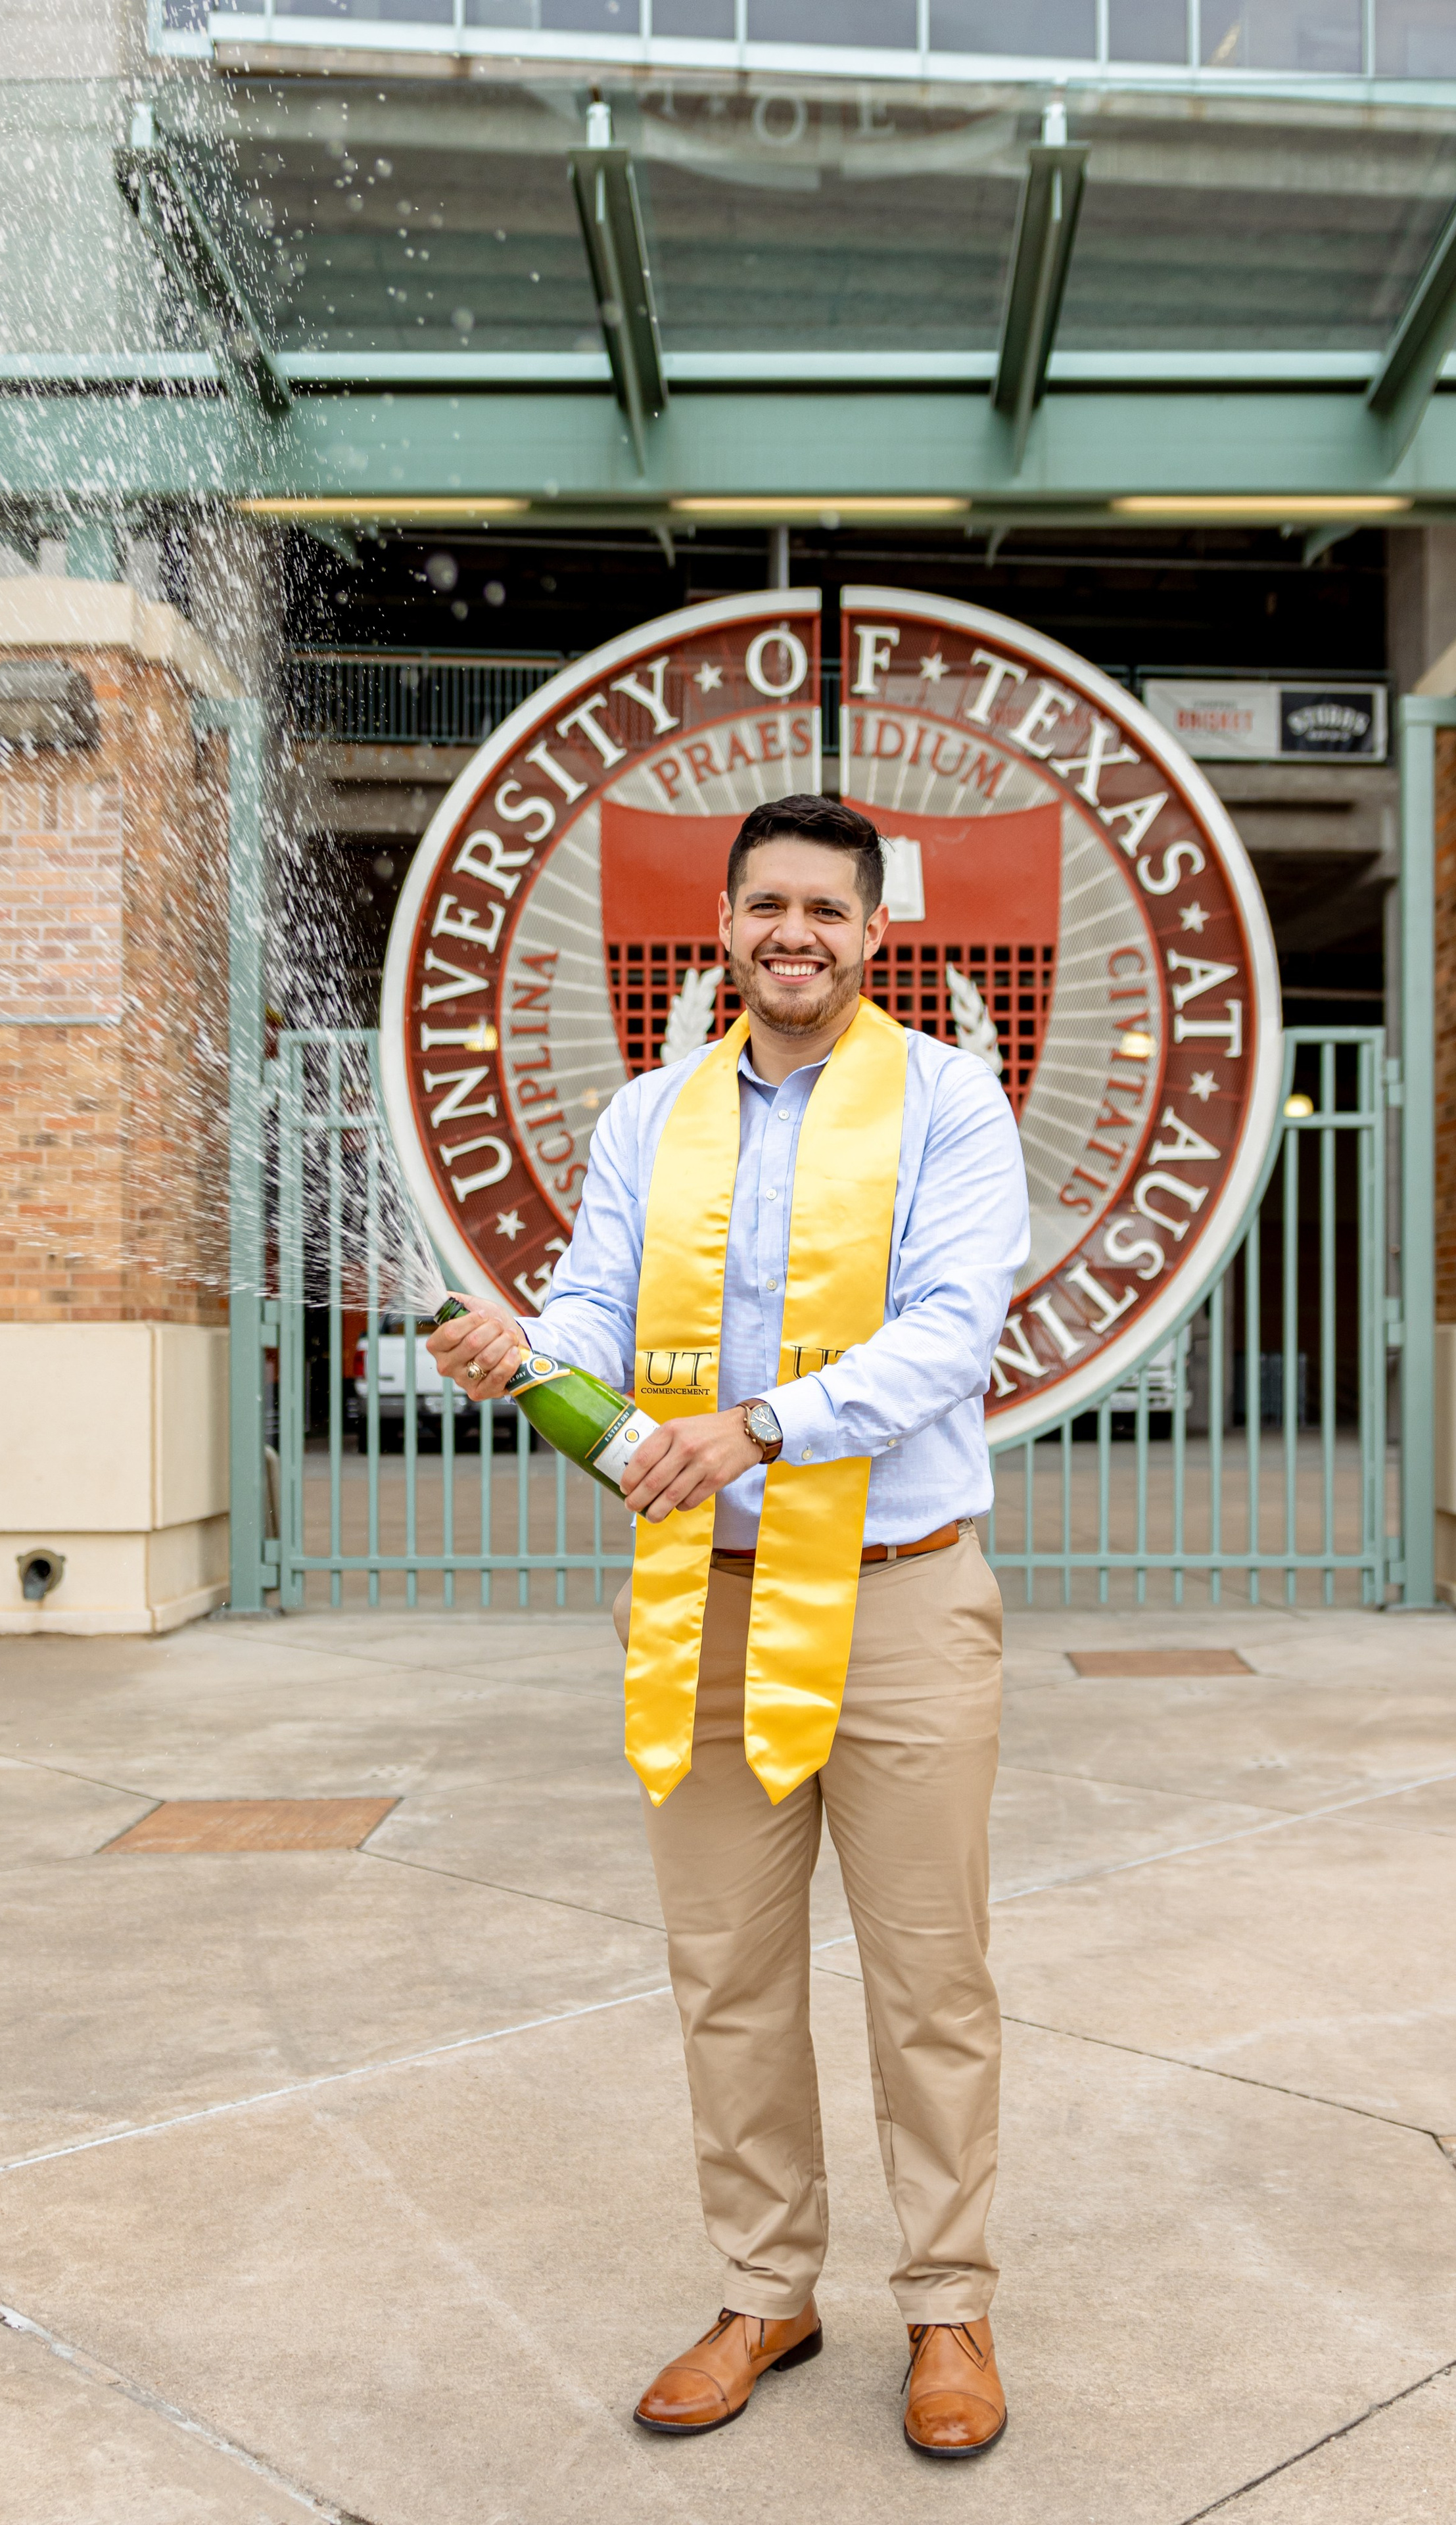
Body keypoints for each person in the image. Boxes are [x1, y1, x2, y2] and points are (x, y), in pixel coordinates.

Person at [428, 793, 1029, 2459]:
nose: (793, 935)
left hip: (900, 1599)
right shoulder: (649, 1116)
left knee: (929, 1978)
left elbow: (948, 1335)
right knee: (729, 1979)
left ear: (873, 931)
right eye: (765, 904)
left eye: (825, 911)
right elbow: (595, 1306)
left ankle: (948, 2304)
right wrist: (521, 1350)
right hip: (706, 1602)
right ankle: (767, 2287)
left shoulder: (949, 1106)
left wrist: (759, 1425)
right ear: (720, 921)